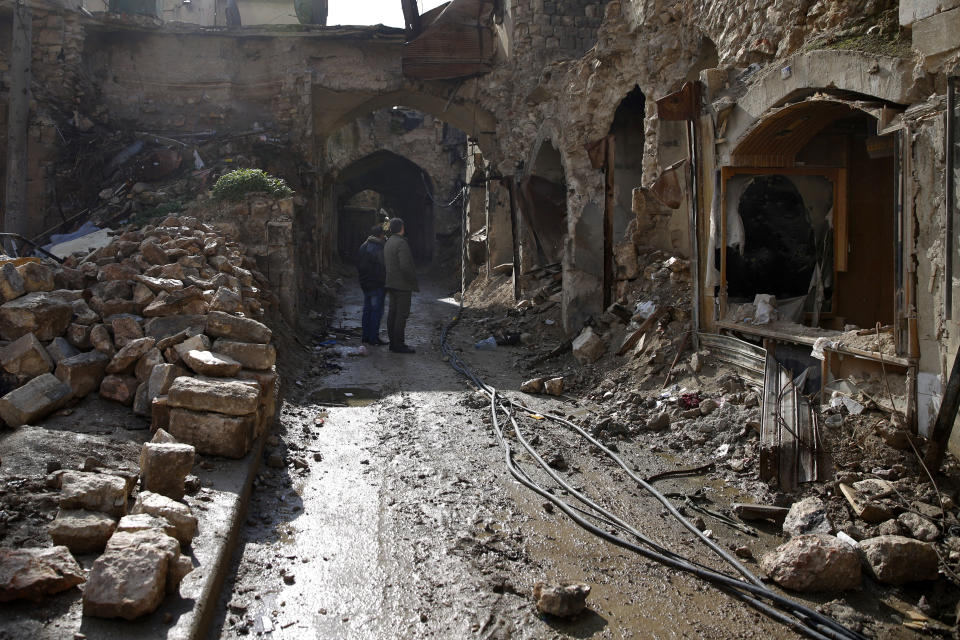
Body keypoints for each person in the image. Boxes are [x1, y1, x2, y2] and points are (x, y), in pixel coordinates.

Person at [384, 217, 419, 353]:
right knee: (401, 315)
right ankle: (399, 344)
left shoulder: (388, 243)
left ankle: (393, 342)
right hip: (402, 285)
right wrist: (411, 280)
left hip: (391, 283)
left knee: (392, 313)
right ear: (402, 228)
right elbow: (405, 266)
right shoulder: (401, 243)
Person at [356, 224, 387, 345]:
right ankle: (373, 338)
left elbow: (358, 264)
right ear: (381, 235)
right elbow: (383, 267)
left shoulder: (363, 246)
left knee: (367, 310)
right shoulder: (379, 248)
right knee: (376, 311)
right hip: (376, 284)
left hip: (365, 284)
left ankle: (365, 336)